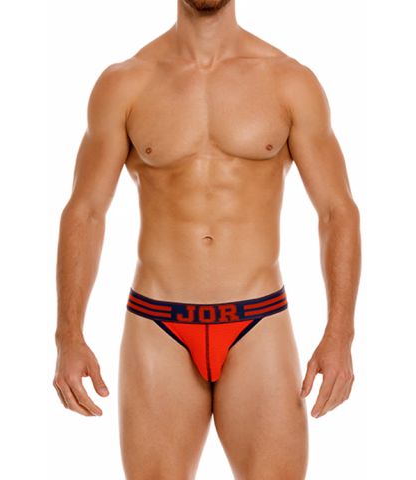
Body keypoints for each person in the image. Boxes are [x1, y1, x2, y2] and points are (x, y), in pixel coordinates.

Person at [52, 0, 361, 478]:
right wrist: (68, 336)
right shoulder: (126, 83)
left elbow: (337, 211)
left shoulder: (289, 81)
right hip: (158, 326)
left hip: (258, 322)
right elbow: (86, 211)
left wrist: (340, 335)